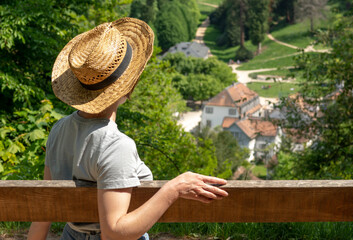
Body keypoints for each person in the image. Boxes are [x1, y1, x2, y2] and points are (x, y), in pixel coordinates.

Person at [27, 17, 228, 240]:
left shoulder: (58, 130)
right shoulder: (115, 145)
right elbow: (114, 232)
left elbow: (44, 209)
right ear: (129, 85)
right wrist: (174, 189)